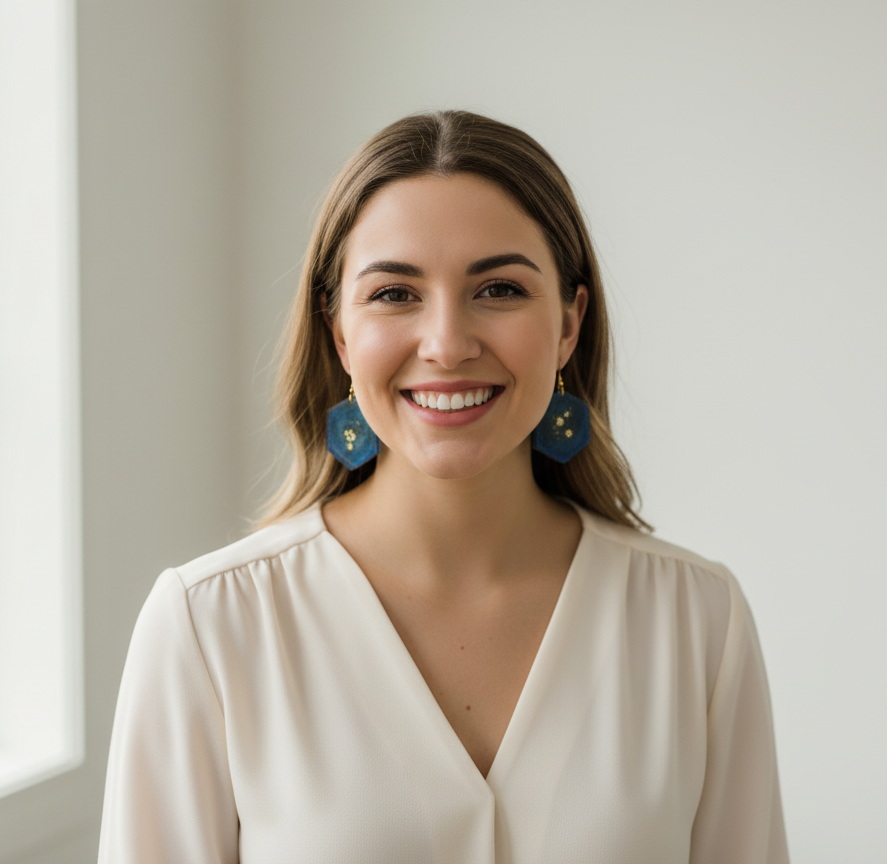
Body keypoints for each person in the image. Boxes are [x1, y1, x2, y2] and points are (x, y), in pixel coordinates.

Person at [98, 110, 788, 863]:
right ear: (339, 333)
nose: (448, 344)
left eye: (497, 289)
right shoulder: (210, 627)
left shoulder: (697, 622)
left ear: (568, 323)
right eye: (394, 294)